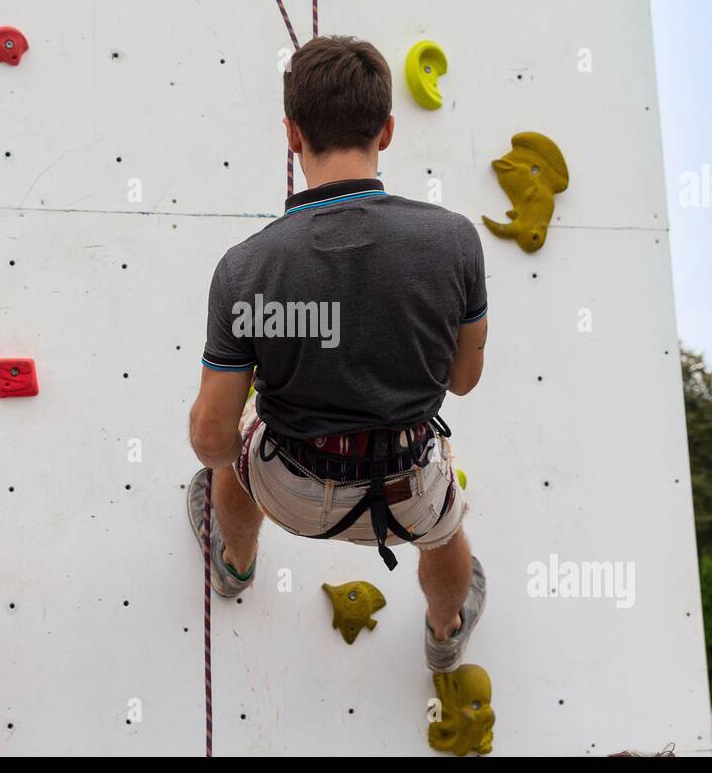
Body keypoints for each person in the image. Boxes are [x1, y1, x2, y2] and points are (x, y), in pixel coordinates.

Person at [187, 35, 488, 673]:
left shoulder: (246, 269)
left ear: (292, 135)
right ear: (387, 129)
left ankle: (234, 566)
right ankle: (444, 630)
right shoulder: (455, 242)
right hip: (409, 489)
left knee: (232, 454)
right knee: (447, 532)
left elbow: (211, 436)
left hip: (290, 487)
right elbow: (463, 380)